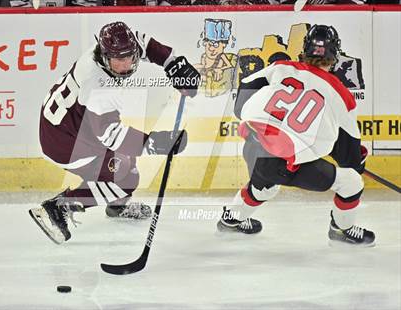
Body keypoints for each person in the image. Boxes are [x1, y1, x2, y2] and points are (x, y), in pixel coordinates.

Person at [29, 21, 200, 244]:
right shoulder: (98, 85)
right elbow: (111, 135)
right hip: (64, 140)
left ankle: (117, 205)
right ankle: (57, 209)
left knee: (125, 164)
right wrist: (158, 142)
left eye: (130, 56)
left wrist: (173, 64)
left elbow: (144, 42)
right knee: (125, 178)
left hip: (72, 123)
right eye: (120, 59)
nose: (127, 64)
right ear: (105, 56)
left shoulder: (111, 49)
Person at [217, 24, 375, 246]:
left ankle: (231, 219)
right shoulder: (341, 93)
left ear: (305, 49)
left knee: (265, 185)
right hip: (291, 164)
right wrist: (357, 161)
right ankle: (341, 230)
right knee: (351, 182)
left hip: (255, 148)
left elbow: (244, 90)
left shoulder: (281, 67)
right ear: (335, 55)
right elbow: (349, 159)